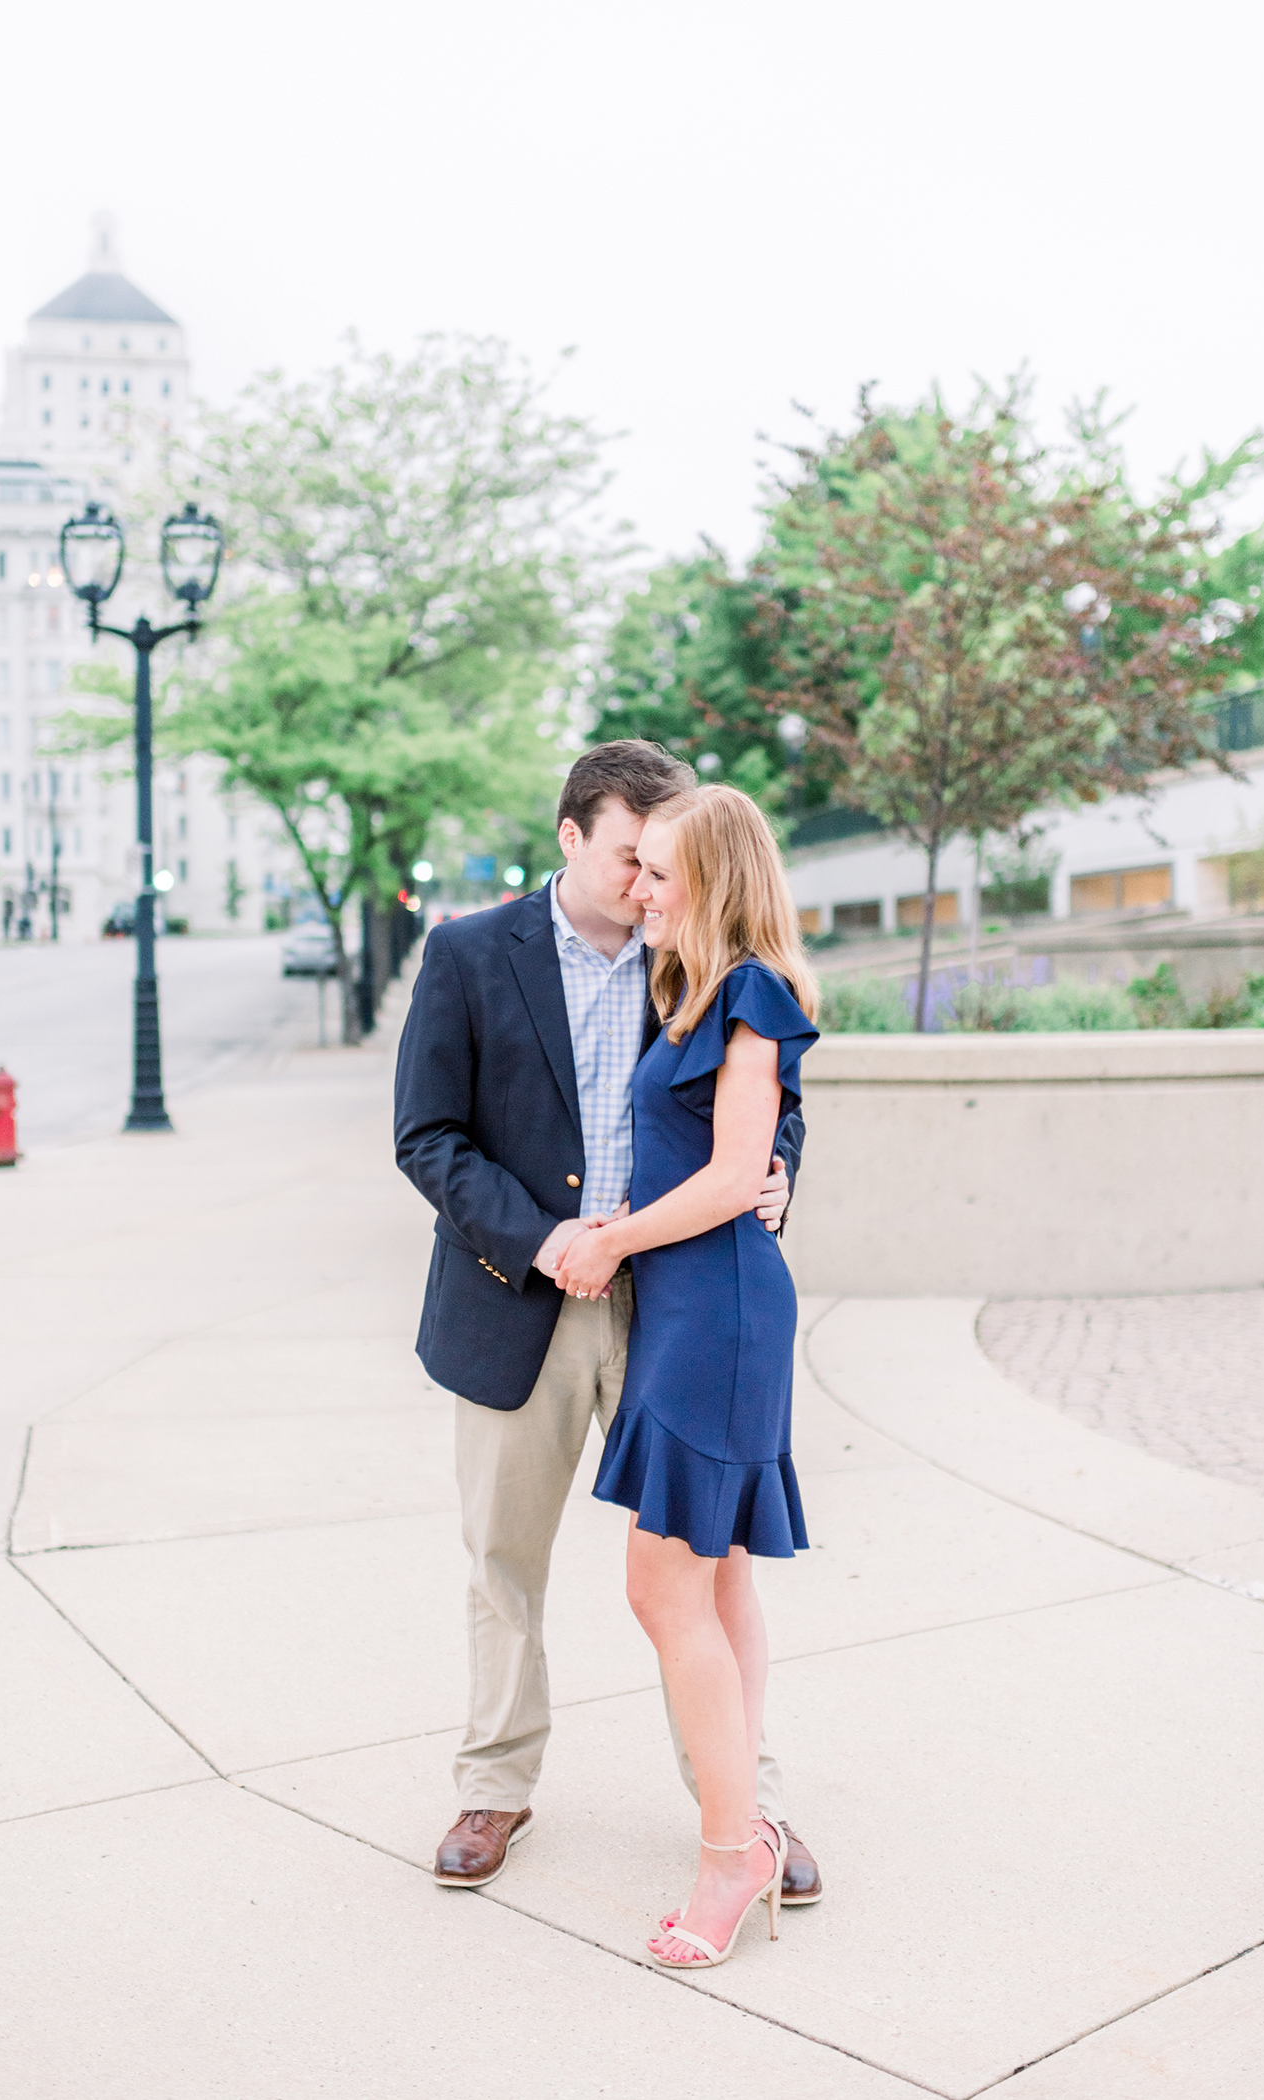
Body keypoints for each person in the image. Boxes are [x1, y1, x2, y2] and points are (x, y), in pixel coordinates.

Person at [394, 742, 822, 1905]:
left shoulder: (694, 947)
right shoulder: (470, 953)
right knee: (503, 1561)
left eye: (661, 864)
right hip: (513, 1300)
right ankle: (494, 1785)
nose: (646, 885)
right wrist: (545, 1240)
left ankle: (745, 1808)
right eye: (630, 858)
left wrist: (773, 1173)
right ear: (571, 836)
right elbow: (427, 1138)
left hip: (673, 1308)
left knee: (707, 1565)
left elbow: (769, 1095)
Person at [554, 783, 819, 1969]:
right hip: (691, 1308)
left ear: (710, 879)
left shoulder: (752, 990)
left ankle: (730, 1854)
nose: (639, 889)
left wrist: (609, 1239)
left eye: (658, 872)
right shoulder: (694, 993)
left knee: (664, 1593)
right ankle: (746, 1825)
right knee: (711, 1589)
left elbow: (729, 1176)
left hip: (716, 1315)